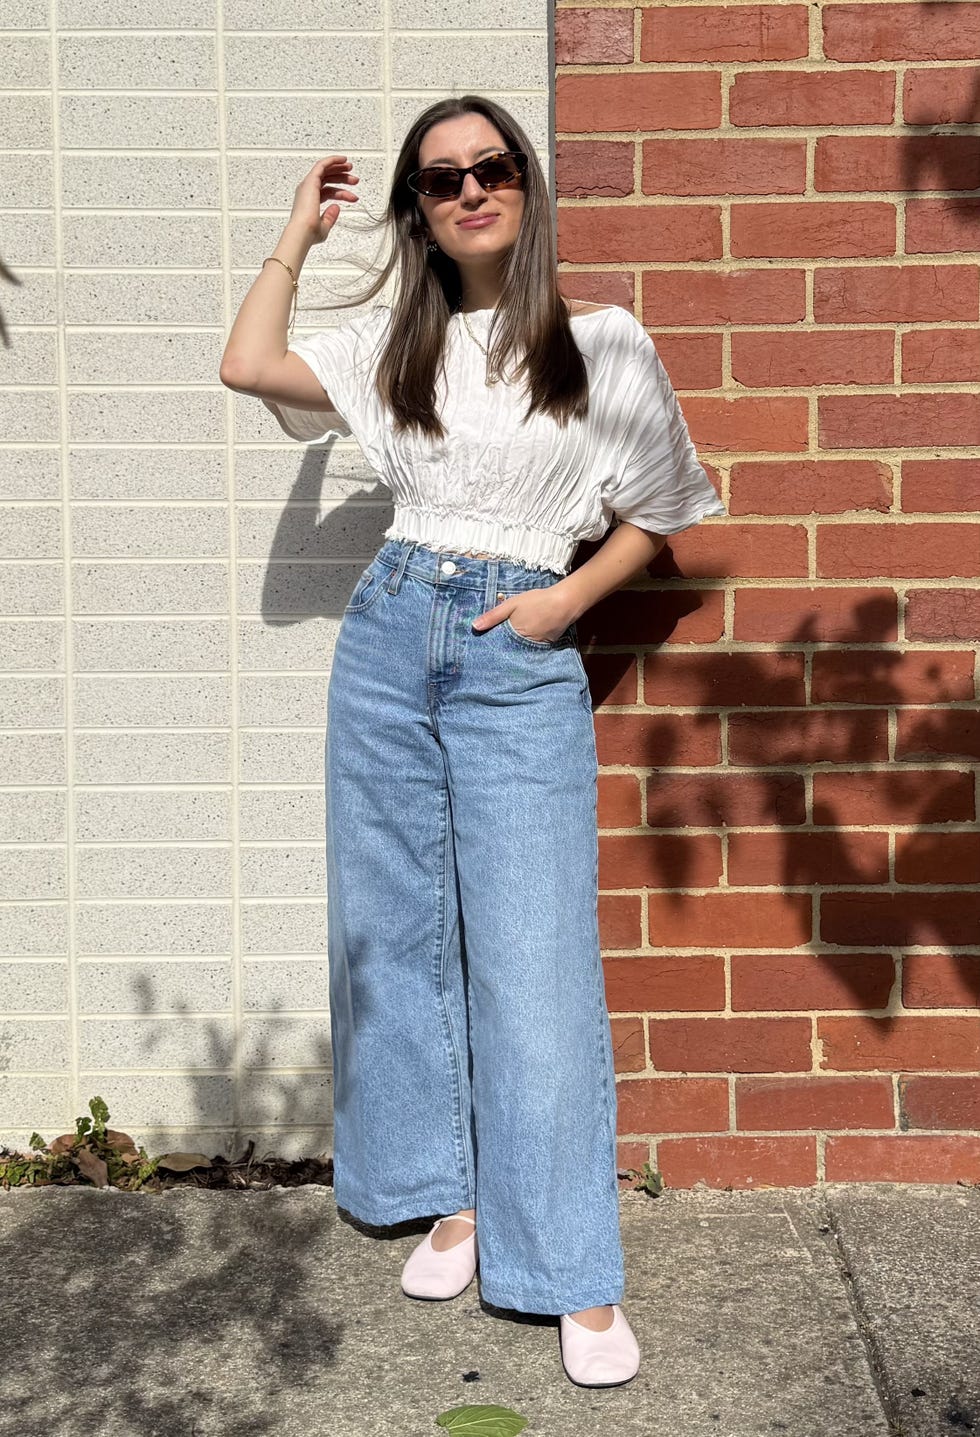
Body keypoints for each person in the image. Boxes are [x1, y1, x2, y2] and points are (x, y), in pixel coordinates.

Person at [219, 93, 726, 1389]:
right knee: (395, 928)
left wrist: (561, 602)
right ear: (421, 211)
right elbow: (248, 364)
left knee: (533, 954)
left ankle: (571, 1269)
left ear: (526, 185)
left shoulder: (599, 341)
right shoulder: (397, 340)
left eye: (490, 167)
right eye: (440, 180)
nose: (469, 191)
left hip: (515, 654)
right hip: (387, 642)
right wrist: (295, 233)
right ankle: (452, 1199)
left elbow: (660, 508)